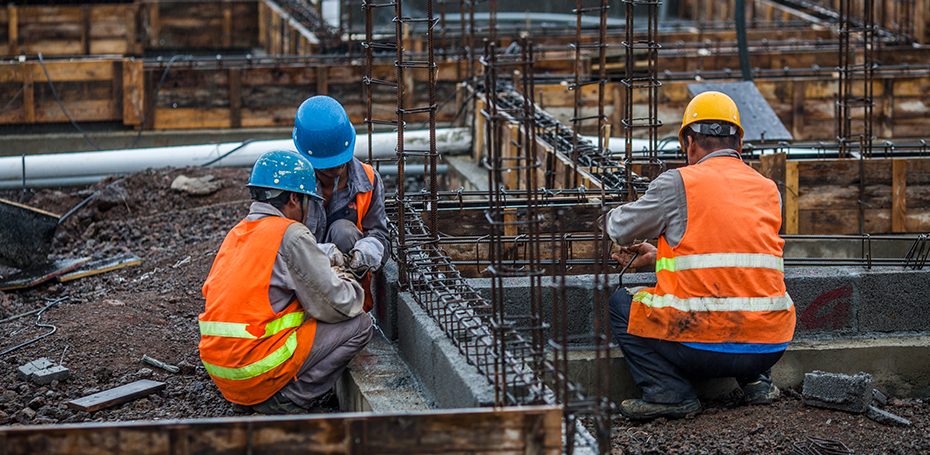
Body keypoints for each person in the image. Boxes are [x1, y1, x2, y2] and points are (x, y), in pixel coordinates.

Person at [604, 91, 796, 420]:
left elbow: (620, 229)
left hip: (701, 347)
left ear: (690, 143)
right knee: (748, 291)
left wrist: (606, 215)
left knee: (621, 304)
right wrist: (658, 255)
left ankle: (669, 393)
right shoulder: (768, 188)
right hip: (771, 345)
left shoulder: (679, 182)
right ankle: (757, 383)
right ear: (738, 144)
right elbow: (734, 250)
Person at [199, 150, 373, 414]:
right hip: (254, 371)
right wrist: (345, 275)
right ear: (294, 198)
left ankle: (256, 394)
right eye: (307, 202)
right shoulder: (289, 233)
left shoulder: (236, 234)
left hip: (223, 373)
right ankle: (290, 398)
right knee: (359, 324)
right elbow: (340, 304)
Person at [293, 95, 390, 311]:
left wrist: (371, 248)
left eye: (340, 162)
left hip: (347, 285)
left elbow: (381, 234)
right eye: (327, 165)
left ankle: (348, 307)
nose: (336, 168)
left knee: (344, 231)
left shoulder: (368, 180)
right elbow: (277, 240)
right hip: (299, 278)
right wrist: (315, 254)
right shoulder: (294, 183)